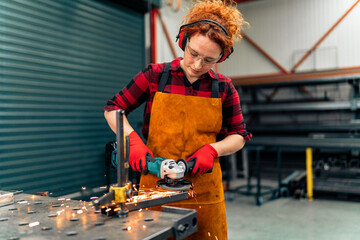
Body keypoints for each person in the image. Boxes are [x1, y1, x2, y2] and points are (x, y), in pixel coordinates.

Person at [104, 0, 251, 238]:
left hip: (205, 193)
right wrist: (132, 140)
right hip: (154, 190)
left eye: (209, 60)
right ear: (184, 40)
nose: (197, 64)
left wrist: (212, 151)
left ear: (221, 58)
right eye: (193, 53)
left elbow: (239, 136)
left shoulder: (224, 88)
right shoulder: (154, 76)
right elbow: (113, 108)